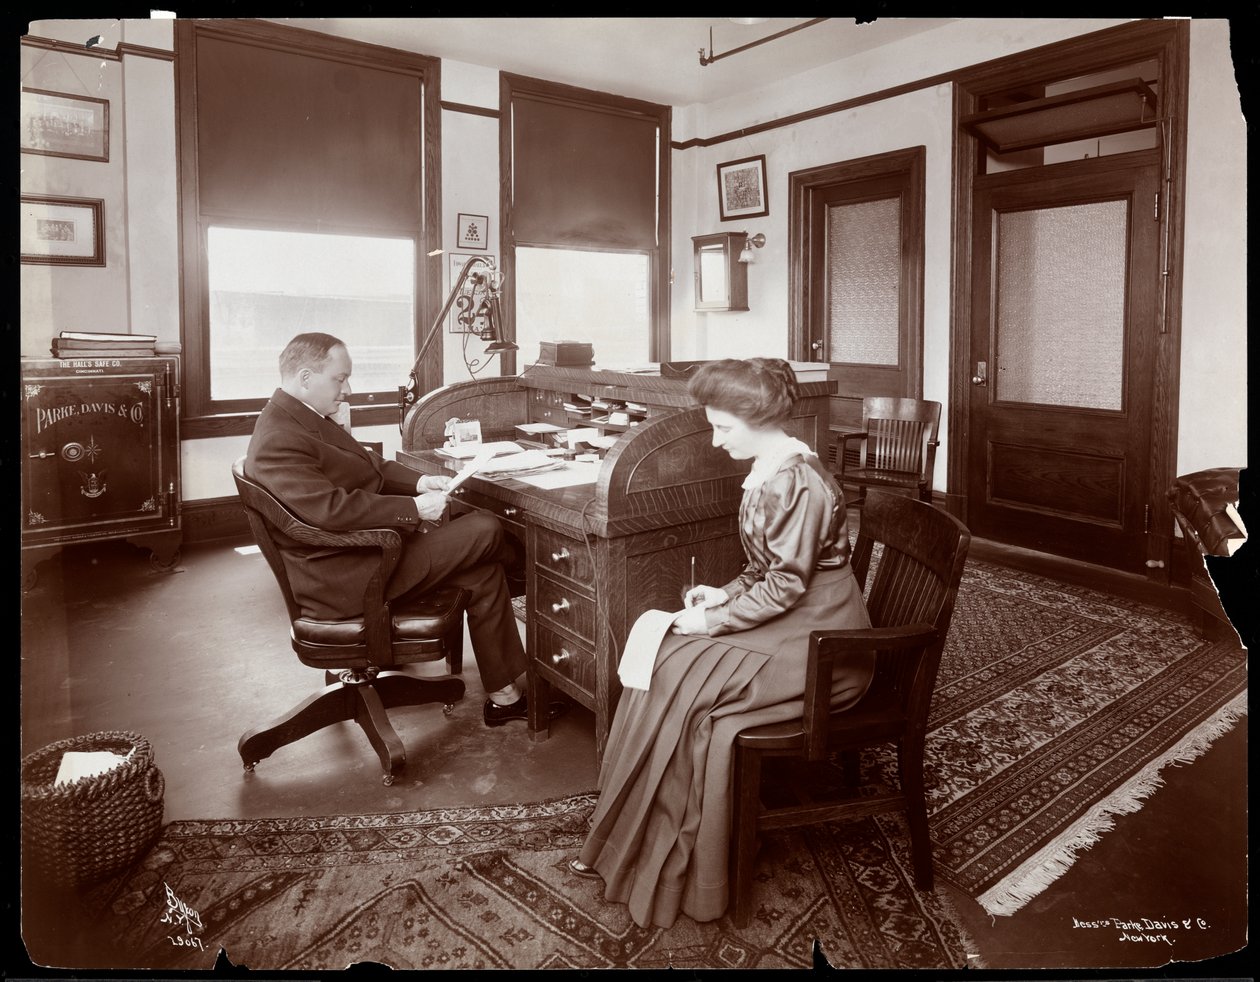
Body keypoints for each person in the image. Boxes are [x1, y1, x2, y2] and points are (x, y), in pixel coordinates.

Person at [567, 357, 874, 928]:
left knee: (682, 673)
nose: (715, 439)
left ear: (759, 419)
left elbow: (787, 583)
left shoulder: (796, 480)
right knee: (664, 656)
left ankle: (675, 852)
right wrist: (721, 593)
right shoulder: (769, 469)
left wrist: (713, 623)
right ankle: (630, 836)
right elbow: (765, 570)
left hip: (824, 632)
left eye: (723, 427)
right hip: (796, 610)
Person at [246, 332, 561, 727]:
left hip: (362, 556)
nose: (347, 389)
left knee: (482, 570)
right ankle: (533, 575)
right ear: (306, 377)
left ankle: (505, 695)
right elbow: (328, 510)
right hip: (348, 575)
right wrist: (413, 509)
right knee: (484, 528)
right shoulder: (281, 438)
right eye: (339, 379)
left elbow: (368, 465)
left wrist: (419, 483)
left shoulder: (300, 417)